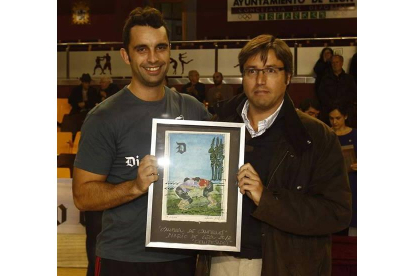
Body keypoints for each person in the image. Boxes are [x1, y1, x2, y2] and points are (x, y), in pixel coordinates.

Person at [72, 7, 211, 276]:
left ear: (170, 51)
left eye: (160, 47)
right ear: (126, 55)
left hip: (180, 257)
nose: (153, 58)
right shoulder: (103, 117)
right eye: (142, 49)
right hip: (122, 258)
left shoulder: (193, 110)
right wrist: (134, 187)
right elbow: (82, 195)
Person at [211, 34, 352, 276]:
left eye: (271, 70)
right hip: (218, 262)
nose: (261, 80)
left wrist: (267, 199)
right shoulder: (216, 127)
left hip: (283, 264)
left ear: (288, 77)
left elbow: (336, 213)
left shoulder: (317, 137)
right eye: (252, 71)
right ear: (243, 77)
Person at [328, 105, 357, 236]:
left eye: (338, 118)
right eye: (331, 118)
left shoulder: (356, 135)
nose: (335, 122)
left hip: (353, 181)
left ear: (345, 116)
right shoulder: (325, 134)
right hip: (332, 184)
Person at [317, 54, 357, 124]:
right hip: (329, 110)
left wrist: (341, 105)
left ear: (342, 63)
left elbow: (353, 94)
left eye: (337, 62)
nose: (334, 65)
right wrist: (332, 105)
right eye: (333, 63)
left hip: (345, 110)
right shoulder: (325, 79)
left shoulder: (349, 79)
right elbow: (321, 94)